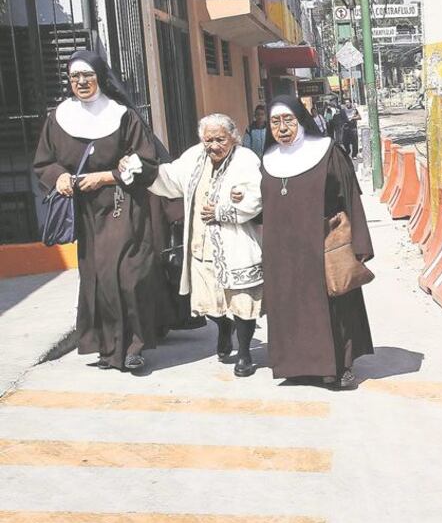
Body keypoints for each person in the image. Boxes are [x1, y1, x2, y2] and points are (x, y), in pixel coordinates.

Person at [33, 51, 164, 371]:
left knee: (126, 276)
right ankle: (110, 349)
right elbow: (44, 162)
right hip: (86, 212)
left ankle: (134, 345)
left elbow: (147, 162)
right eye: (75, 77)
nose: (81, 82)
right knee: (99, 280)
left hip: (123, 205)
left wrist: (106, 177)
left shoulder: (122, 116)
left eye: (87, 76)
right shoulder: (58, 117)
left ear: (100, 78)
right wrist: (60, 177)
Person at [136, 114, 264, 377]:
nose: (214, 146)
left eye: (220, 139)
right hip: (201, 246)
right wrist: (141, 169)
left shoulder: (246, 159)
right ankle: (223, 327)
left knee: (242, 303)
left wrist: (222, 210)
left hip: (236, 245)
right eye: (208, 140)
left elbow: (255, 196)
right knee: (210, 304)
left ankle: (245, 354)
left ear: (234, 138)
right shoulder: (195, 156)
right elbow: (170, 178)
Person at [260, 95, 374, 388]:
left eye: (288, 120)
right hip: (283, 253)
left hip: (323, 244)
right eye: (275, 122)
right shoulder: (268, 161)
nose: (282, 128)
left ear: (301, 120)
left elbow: (351, 197)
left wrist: (359, 243)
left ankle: (341, 367)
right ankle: (301, 367)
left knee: (333, 306)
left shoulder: (327, 152)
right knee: (290, 307)